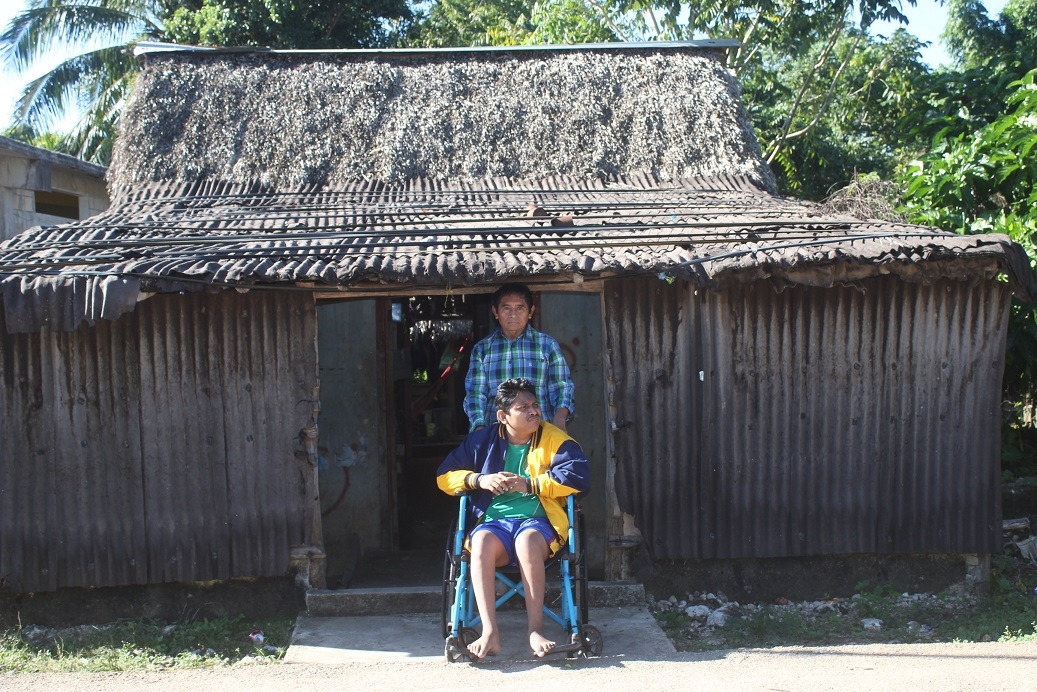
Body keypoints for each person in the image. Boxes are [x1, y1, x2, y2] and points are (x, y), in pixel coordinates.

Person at [437, 378, 590, 658]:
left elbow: (579, 477)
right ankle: (490, 632)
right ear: (503, 416)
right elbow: (444, 476)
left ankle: (535, 630)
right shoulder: (481, 441)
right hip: (495, 523)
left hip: (538, 522)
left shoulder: (555, 439)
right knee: (480, 542)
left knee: (528, 541)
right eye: (523, 407)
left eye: (535, 405)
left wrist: (531, 484)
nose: (534, 412)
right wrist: (479, 479)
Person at [464, 283, 576, 433]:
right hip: (497, 435)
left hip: (541, 433)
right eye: (506, 308)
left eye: (520, 308)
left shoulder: (547, 345)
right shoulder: (482, 349)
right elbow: (475, 393)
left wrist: (560, 419)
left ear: (531, 312)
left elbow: (562, 386)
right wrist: (479, 427)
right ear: (495, 312)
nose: (513, 314)